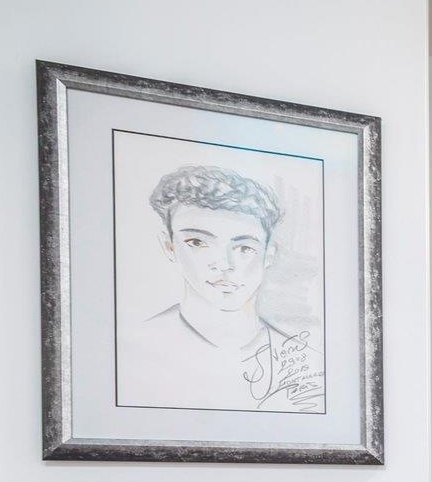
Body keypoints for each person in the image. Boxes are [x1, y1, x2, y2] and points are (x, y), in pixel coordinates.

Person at [118, 164, 324, 413]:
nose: (225, 264)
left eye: (244, 247)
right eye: (198, 242)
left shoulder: (306, 363)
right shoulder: (132, 351)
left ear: (269, 255)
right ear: (169, 246)